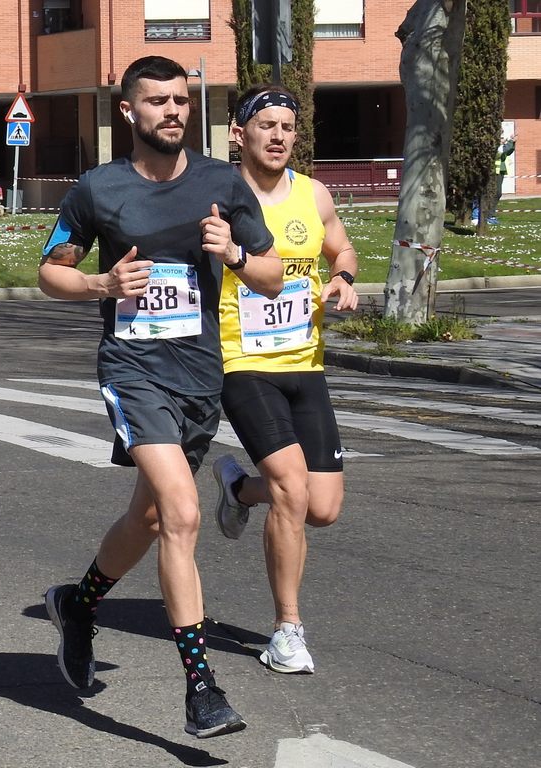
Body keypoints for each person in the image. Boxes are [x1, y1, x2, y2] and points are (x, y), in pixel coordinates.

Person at [38, 56, 283, 739]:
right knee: (180, 511)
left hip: (200, 376)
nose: (173, 110)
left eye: (181, 100)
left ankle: (78, 604)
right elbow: (49, 273)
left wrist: (233, 252)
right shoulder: (98, 190)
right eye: (158, 101)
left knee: (147, 521)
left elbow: (270, 275)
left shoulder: (221, 182)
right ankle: (201, 688)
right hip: (133, 371)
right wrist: (102, 286)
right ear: (129, 112)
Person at [209, 84, 359, 675]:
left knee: (321, 508)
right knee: (293, 490)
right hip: (241, 362)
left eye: (287, 127)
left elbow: (341, 249)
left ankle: (239, 489)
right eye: (266, 126)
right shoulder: (217, 197)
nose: (278, 136)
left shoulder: (313, 194)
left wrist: (344, 278)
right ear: (239, 136)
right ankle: (287, 630)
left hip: (305, 362)